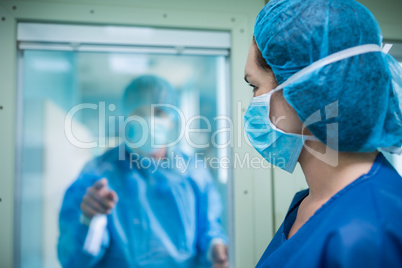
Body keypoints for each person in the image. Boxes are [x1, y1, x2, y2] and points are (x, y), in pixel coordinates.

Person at [243, 0, 402, 267]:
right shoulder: (310, 202)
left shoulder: (370, 229)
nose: (252, 104)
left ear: (305, 91)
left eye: (254, 87)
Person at [58, 75, 228, 268]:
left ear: (172, 119)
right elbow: (74, 261)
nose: (149, 120)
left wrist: (215, 246)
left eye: (158, 112)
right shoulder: (98, 174)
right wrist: (88, 220)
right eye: (140, 112)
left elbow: (210, 226)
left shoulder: (193, 171)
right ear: (127, 118)